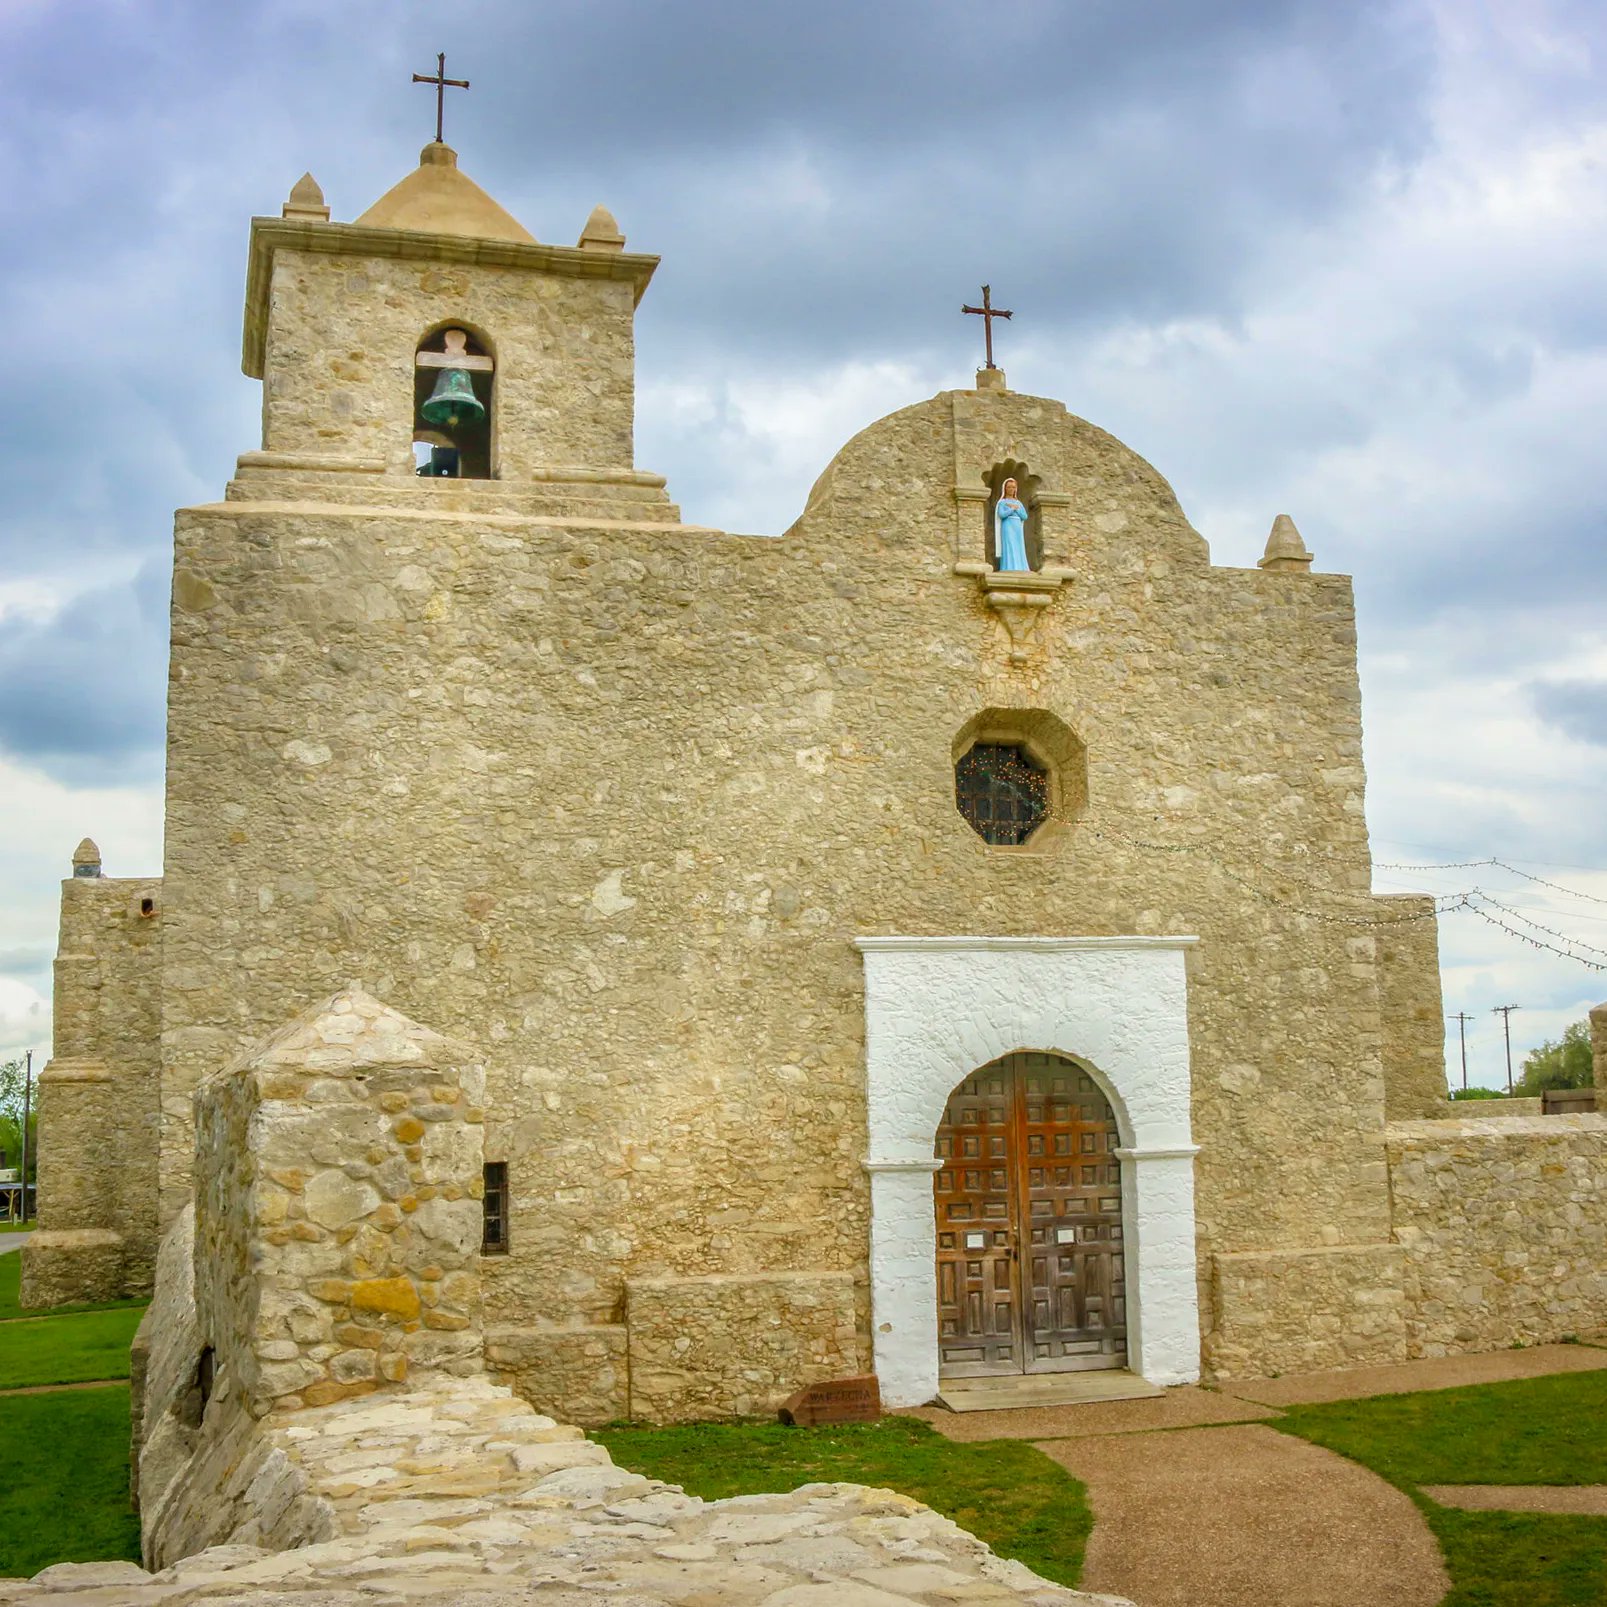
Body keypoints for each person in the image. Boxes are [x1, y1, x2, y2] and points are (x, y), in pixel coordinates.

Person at [994, 478, 1030, 572]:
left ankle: (1020, 567)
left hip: (1017, 526)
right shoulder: (1002, 502)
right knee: (1009, 545)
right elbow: (1001, 514)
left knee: (1018, 546)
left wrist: (1016, 509)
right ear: (1005, 488)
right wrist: (1012, 509)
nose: (1011, 489)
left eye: (1013, 487)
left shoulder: (1018, 503)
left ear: (1016, 489)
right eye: (1009, 487)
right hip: (1007, 526)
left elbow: (1024, 516)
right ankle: (1008, 567)